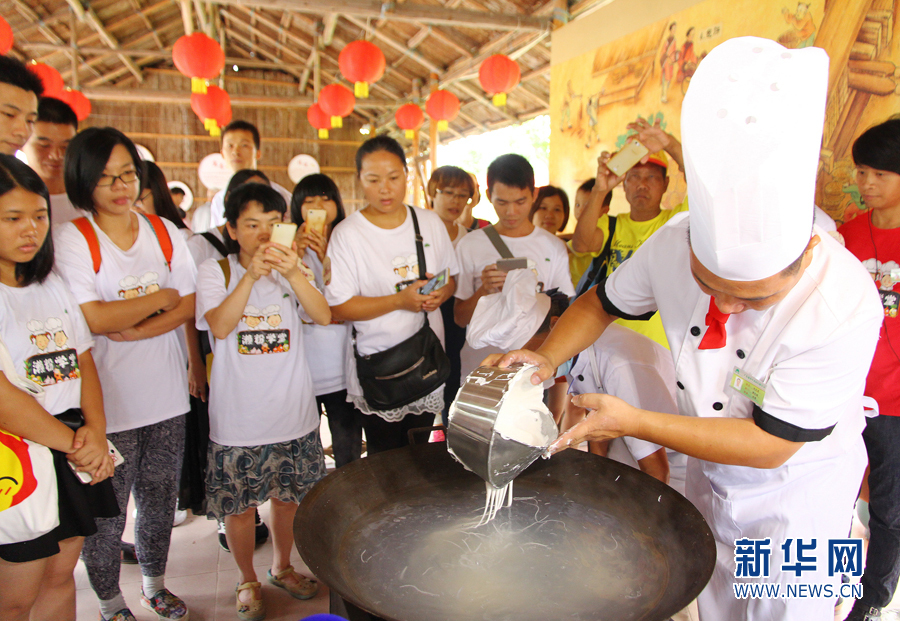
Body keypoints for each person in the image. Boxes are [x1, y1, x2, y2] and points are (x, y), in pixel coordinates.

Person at [491, 37, 883, 621]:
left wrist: (638, 423)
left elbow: (774, 444)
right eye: (710, 283)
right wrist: (545, 360)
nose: (723, 301)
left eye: (752, 296)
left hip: (802, 498)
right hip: (709, 473)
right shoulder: (673, 242)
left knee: (791, 613)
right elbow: (601, 304)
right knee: (716, 599)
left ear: (802, 257)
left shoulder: (843, 301)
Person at [54, 127, 196, 621]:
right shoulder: (75, 238)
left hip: (167, 396)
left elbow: (189, 304)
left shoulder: (164, 232)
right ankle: (109, 599)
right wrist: (159, 298)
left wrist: (133, 325)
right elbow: (90, 318)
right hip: (106, 404)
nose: (121, 187)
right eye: (106, 178)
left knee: (160, 499)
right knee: (106, 514)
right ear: (83, 182)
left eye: (128, 175)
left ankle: (155, 583)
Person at [197, 182, 329, 620]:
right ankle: (246, 578)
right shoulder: (215, 271)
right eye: (252, 225)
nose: (264, 234)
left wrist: (293, 273)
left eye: (273, 224)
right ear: (232, 229)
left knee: (288, 501)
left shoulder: (299, 266)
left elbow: (323, 315)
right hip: (238, 420)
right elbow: (218, 326)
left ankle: (282, 567)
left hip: (293, 414)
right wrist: (251, 275)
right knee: (239, 510)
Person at [0, 154, 117, 621]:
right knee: (15, 595)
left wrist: (96, 428)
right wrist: (76, 444)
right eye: (13, 218)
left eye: (39, 217)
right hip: (20, 457)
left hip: (72, 446)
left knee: (60, 575)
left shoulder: (51, 282)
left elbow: (82, 359)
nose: (31, 229)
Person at [326, 135, 458, 454]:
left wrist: (441, 293)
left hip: (426, 359)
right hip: (379, 367)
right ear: (360, 181)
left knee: (419, 455)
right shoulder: (348, 234)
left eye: (393, 177)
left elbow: (449, 278)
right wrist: (399, 301)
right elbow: (340, 306)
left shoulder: (428, 222)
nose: (385, 188)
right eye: (373, 179)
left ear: (406, 176)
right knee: (384, 459)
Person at [838, 118, 900, 621]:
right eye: (861, 171)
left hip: (897, 401)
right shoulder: (845, 235)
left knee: (889, 508)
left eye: (880, 172)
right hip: (844, 391)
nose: (867, 183)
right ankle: (824, 584)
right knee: (833, 491)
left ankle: (871, 599)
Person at [454, 154, 574, 381]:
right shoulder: (470, 244)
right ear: (489, 195)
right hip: (480, 371)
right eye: (502, 202)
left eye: (520, 202)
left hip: (532, 373)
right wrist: (484, 291)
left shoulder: (553, 247)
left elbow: (564, 316)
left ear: (534, 194)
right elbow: (460, 318)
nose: (511, 212)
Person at [570, 118, 685, 348]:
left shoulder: (678, 222)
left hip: (661, 347)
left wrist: (670, 144)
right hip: (610, 343)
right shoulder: (611, 225)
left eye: (651, 177)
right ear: (624, 184)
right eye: (634, 176)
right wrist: (599, 190)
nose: (642, 184)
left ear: (666, 183)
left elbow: (702, 181)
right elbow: (581, 244)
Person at [290, 172, 365, 467]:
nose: (318, 206)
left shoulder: (349, 241)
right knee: (304, 456)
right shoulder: (289, 246)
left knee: (348, 451)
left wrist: (325, 259)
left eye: (326, 198)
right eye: (309, 201)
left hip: (342, 367)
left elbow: (350, 301)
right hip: (301, 368)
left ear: (337, 204)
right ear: (297, 207)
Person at [566, 323, 686, 495]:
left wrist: (641, 519)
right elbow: (595, 414)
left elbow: (657, 471)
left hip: (671, 462)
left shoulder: (620, 368)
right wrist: (594, 476)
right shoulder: (574, 352)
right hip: (630, 448)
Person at [426, 166, 475, 425]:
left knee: (454, 384)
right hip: (425, 314)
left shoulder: (470, 238)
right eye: (449, 193)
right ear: (432, 193)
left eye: (463, 195)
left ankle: (449, 437)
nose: (456, 201)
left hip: (457, 318)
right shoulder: (419, 232)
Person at [207, 121, 292, 229]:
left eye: (244, 145)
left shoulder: (281, 195)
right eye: (230, 146)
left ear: (258, 153)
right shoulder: (219, 199)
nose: (236, 152)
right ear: (222, 154)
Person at [21, 97, 80, 226]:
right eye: (44, 145)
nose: (56, 155)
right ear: (22, 143)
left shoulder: (90, 199)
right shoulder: (10, 197)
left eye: (65, 147)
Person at [567, 179, 612, 287]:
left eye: (587, 207)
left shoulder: (594, 229)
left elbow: (567, 248)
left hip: (580, 286)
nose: (580, 210)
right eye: (577, 204)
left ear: (604, 211)